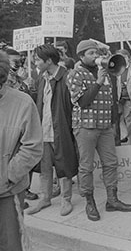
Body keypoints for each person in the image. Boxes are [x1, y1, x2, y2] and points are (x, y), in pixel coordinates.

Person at [67, 39, 131, 221]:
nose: (95, 56)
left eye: (96, 53)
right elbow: (82, 102)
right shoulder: (75, 74)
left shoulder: (105, 72)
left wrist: (113, 123)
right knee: (86, 166)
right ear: (81, 56)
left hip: (105, 127)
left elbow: (111, 100)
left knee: (111, 163)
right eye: (91, 53)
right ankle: (90, 201)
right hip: (85, 127)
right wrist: (98, 81)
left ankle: (112, 200)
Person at [26, 45, 78, 216]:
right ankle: (45, 197)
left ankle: (66, 199)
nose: (35, 62)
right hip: (44, 129)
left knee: (64, 165)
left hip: (61, 129)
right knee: (45, 166)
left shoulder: (67, 77)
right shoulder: (42, 78)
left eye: (38, 59)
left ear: (48, 61)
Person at [0, 50, 43, 251]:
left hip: (7, 192)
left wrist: (8, 175)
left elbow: (33, 147)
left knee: (10, 244)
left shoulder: (22, 102)